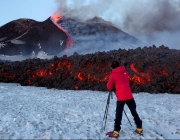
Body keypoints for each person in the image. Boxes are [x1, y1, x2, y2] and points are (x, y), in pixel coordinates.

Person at [106, 61, 142, 138]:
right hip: (129, 96)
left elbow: (109, 87)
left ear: (112, 67)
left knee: (118, 114)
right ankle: (139, 128)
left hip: (121, 97)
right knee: (134, 112)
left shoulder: (112, 75)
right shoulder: (125, 73)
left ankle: (116, 132)